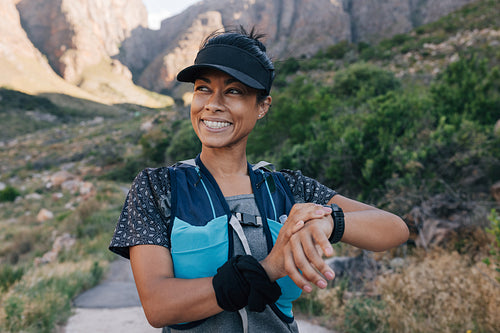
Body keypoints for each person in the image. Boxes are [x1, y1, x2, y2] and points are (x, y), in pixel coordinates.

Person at [109, 26, 409, 333]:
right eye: (203, 88)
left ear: (262, 106)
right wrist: (268, 269)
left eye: (234, 91)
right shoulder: (158, 188)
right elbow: (159, 307)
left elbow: (394, 228)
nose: (212, 103)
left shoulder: (288, 188)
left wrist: (330, 222)